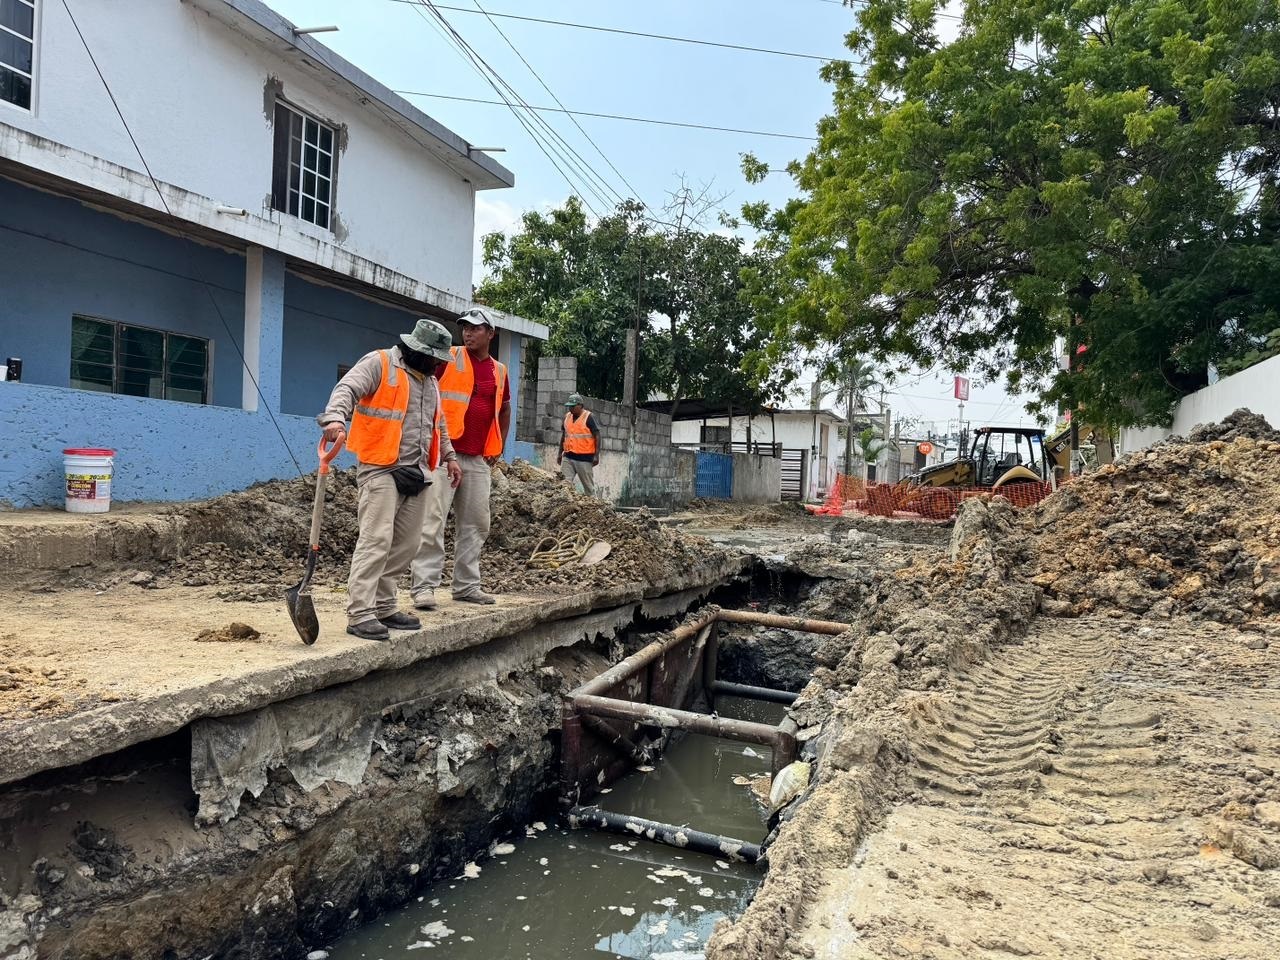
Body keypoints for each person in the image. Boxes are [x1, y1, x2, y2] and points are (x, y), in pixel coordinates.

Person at [318, 319, 461, 641]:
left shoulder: (430, 382)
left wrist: (450, 457)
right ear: (416, 350)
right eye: (435, 358)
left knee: (408, 544)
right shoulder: (380, 363)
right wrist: (335, 419)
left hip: (419, 470)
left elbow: (439, 424)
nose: (439, 365)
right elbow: (347, 389)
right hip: (381, 466)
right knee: (376, 540)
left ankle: (384, 605)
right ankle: (360, 613)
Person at [411, 307, 510, 608]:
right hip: (442, 455)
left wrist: (498, 447)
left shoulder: (500, 371)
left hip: (478, 458)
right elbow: (425, 394)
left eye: (476, 328)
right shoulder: (447, 358)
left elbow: (504, 410)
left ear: (490, 334)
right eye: (465, 327)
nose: (468, 332)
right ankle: (424, 588)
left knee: (476, 523)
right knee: (433, 521)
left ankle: (466, 585)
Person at [557, 392, 599, 496]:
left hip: (584, 458)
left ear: (580, 405)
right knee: (563, 486)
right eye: (569, 406)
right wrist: (559, 453)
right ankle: (564, 507)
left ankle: (593, 508)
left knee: (588, 488)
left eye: (572, 406)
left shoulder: (589, 417)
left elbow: (597, 435)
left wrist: (596, 455)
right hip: (568, 457)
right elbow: (564, 436)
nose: (570, 409)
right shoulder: (567, 417)